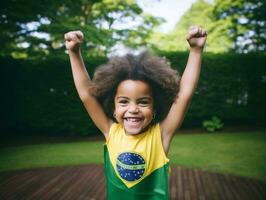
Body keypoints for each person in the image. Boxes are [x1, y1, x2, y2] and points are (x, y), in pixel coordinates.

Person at [64, 25, 207, 199]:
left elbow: (183, 95)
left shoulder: (160, 136)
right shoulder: (111, 132)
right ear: (113, 108)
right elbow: (87, 95)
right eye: (124, 102)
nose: (133, 109)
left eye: (143, 102)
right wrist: (74, 52)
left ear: (155, 108)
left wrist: (196, 51)